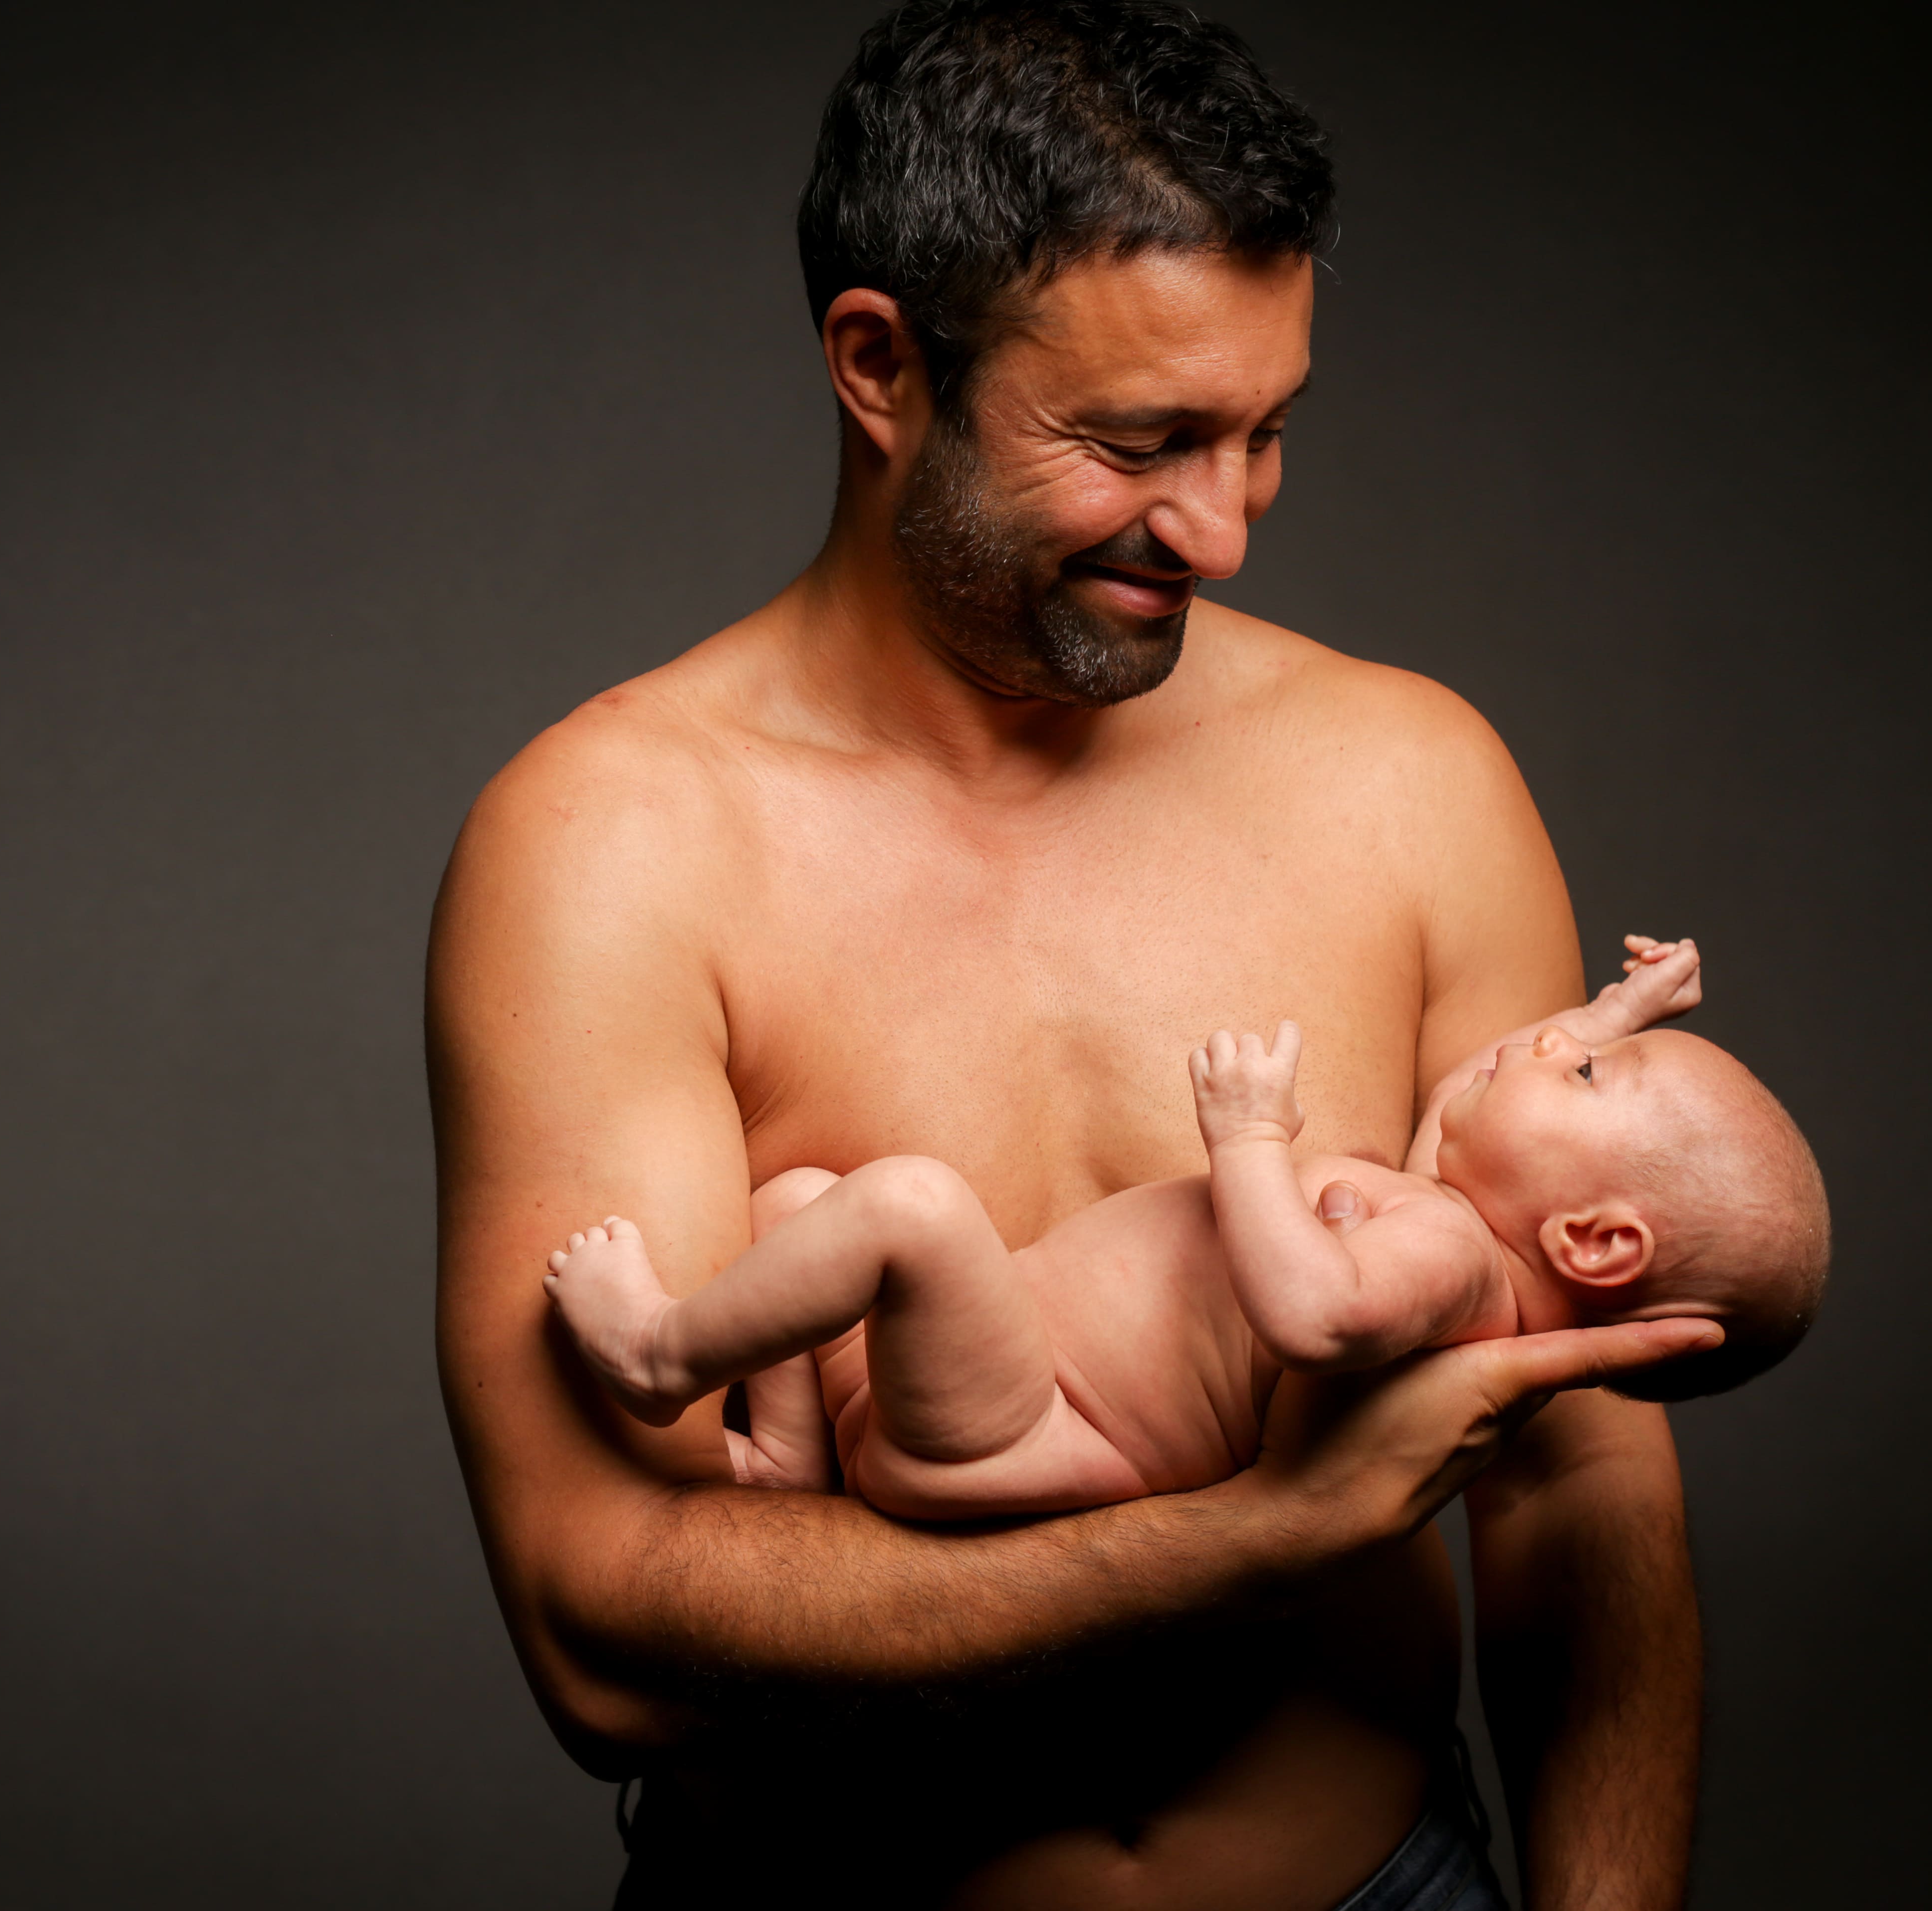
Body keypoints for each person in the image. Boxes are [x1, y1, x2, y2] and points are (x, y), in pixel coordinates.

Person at [432, 4, 1717, 1904]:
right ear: (882, 367)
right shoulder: (611, 847)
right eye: (1141, 441)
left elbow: (1574, 1475)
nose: (1224, 529)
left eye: (1267, 434)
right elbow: (601, 1630)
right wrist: (1261, 1539)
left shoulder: (1408, 780)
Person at [540, 938, 1829, 1519]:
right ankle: (789, 1463)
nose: (1539, 1049)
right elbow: (1464, 1098)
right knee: (802, 1210)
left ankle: (659, 1355)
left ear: (1594, 1246)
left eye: (1588, 1079)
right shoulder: (1453, 1227)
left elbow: (1311, 1314)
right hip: (984, 1391)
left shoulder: (1441, 1266)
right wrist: (1611, 1019)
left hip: (1035, 1430)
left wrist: (1249, 1139)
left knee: (908, 1206)